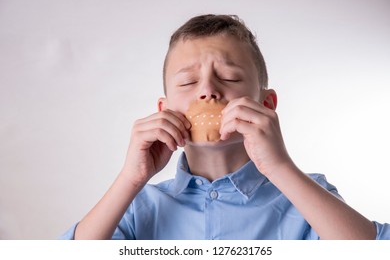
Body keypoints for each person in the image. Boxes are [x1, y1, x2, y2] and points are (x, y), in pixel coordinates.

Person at [60, 14, 389, 240]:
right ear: (164, 110)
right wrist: (130, 179)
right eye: (188, 81)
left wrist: (279, 166)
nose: (207, 90)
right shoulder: (139, 207)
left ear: (266, 104)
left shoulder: (307, 200)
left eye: (230, 77)